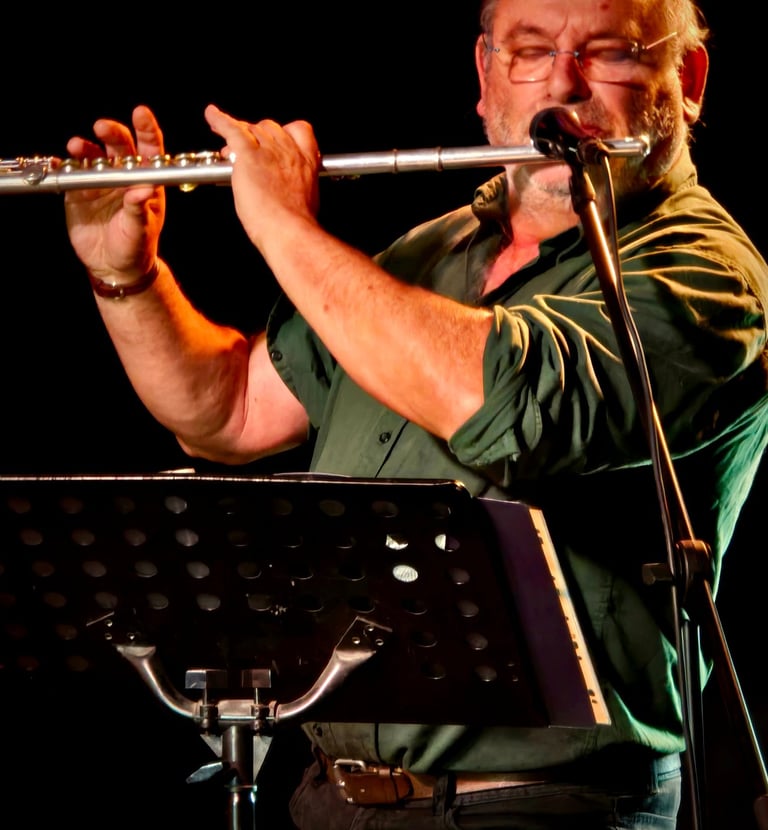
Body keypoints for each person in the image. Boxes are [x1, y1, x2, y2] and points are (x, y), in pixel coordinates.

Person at [60, 0, 768, 827]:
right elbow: (228, 411)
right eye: (530, 52)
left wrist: (281, 223)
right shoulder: (434, 249)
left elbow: (495, 404)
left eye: (606, 52)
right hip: (337, 797)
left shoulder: (708, 275)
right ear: (485, 77)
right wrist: (129, 276)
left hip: (546, 808)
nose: (561, 85)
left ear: (684, 81)